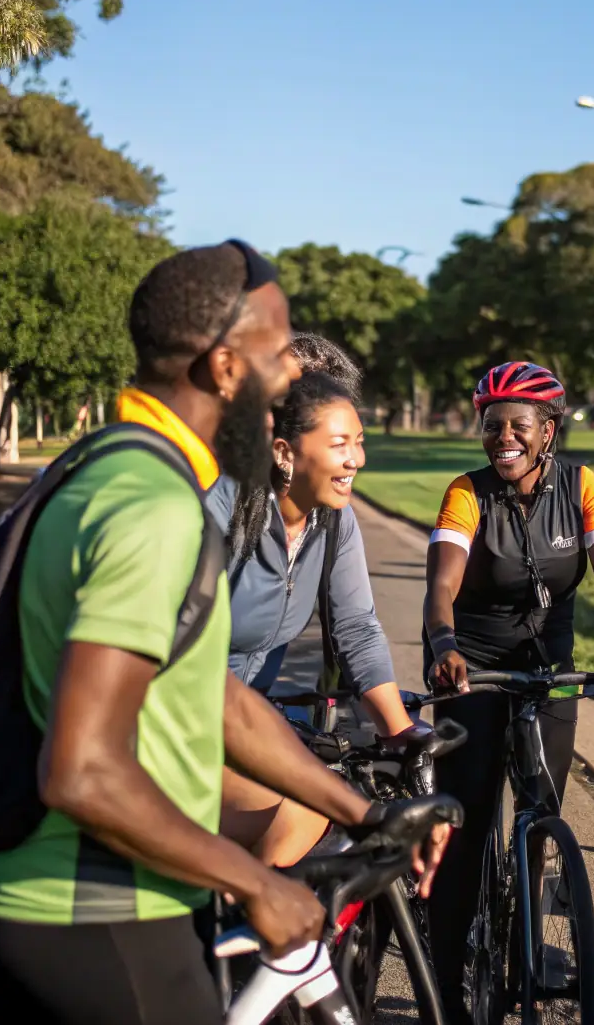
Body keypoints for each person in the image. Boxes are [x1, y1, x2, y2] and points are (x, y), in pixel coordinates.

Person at [0, 243, 416, 1025]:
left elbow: (206, 693)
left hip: (88, 896)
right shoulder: (153, 505)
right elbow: (80, 770)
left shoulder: (116, 463)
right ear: (225, 368)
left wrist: (360, 810)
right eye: (281, 349)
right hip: (97, 908)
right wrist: (258, 883)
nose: (294, 373)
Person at [423, 360, 594, 1025]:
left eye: (519, 425)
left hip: (547, 664)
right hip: (470, 664)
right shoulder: (465, 492)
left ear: (550, 429)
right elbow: (441, 584)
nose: (503, 437)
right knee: (469, 827)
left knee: (540, 814)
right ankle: (445, 989)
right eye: (491, 425)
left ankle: (522, 948)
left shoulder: (582, 484)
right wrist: (443, 646)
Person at [207, 342, 415, 867]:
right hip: (183, 723)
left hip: (248, 720)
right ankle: (258, 935)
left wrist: (402, 735)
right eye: (340, 441)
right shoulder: (224, 505)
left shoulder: (332, 520)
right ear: (284, 446)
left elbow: (357, 628)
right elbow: (181, 657)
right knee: (308, 806)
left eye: (357, 440)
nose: (355, 459)